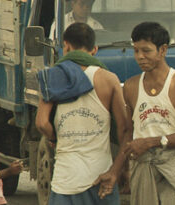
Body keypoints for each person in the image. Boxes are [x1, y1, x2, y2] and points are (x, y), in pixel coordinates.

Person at [35, 22, 130, 204]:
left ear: (66, 46)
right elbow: (124, 129)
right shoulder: (109, 79)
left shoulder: (53, 76)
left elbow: (41, 123)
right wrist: (121, 168)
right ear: (94, 49)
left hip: (65, 179)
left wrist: (54, 139)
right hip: (101, 176)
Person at [116, 22, 175, 204]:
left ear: (163, 50)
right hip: (142, 165)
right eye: (136, 51)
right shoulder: (130, 86)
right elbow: (128, 133)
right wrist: (118, 170)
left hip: (171, 165)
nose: (140, 57)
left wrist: (151, 142)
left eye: (146, 51)